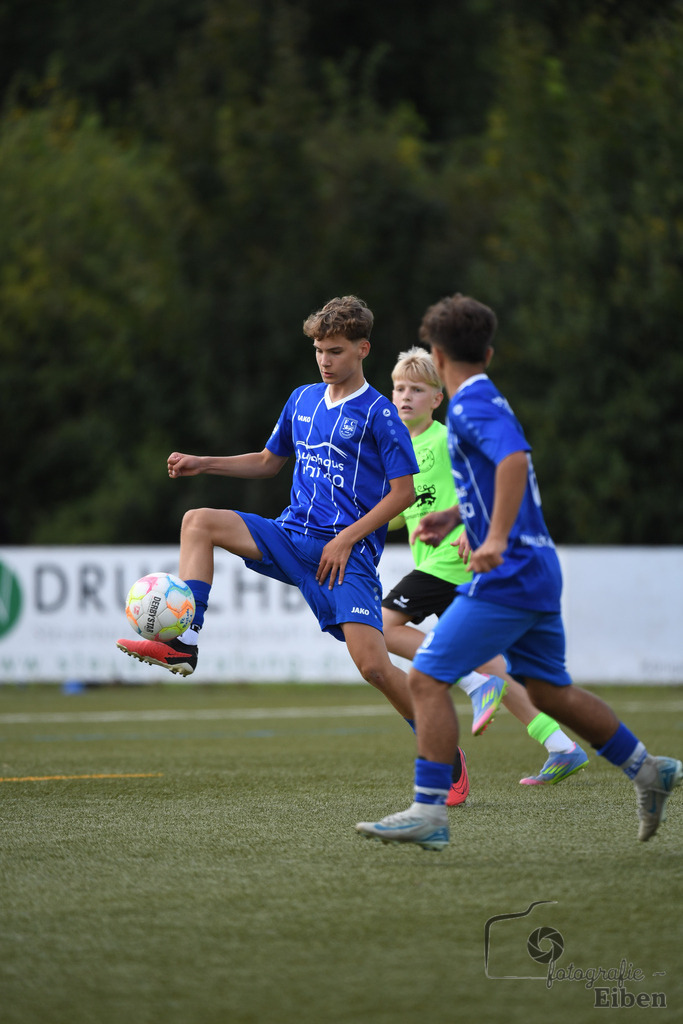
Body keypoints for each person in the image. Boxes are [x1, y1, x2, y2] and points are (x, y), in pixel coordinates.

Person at [356, 293, 681, 850]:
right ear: (487, 352)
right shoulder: (485, 398)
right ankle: (648, 770)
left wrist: (496, 538)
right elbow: (498, 475)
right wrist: (459, 516)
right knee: (550, 692)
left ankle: (429, 811)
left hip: (510, 571)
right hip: (537, 567)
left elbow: (514, 461)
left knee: (427, 676)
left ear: (438, 356)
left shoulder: (470, 406)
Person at [117, 295, 425, 728]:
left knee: (374, 669)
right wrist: (203, 463)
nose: (325, 360)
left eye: (335, 351)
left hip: (344, 558)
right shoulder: (302, 399)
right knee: (198, 521)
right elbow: (267, 462)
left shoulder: (380, 414)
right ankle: (184, 642)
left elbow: (403, 494)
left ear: (363, 349)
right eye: (318, 350)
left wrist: (345, 539)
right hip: (290, 536)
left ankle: (441, 746)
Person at [382, 346, 588, 803]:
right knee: (492, 663)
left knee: (383, 626)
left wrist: (472, 531)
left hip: (450, 561)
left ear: (438, 398)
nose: (406, 396)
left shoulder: (443, 440)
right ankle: (561, 745)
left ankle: (474, 685)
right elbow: (397, 514)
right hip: (438, 564)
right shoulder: (399, 450)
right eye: (399, 388)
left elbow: (490, 482)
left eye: (417, 389)